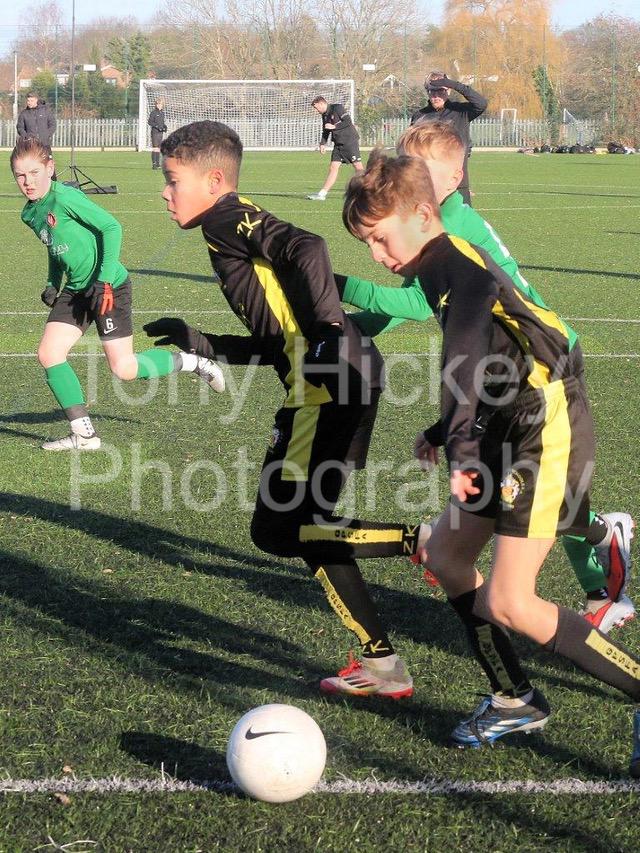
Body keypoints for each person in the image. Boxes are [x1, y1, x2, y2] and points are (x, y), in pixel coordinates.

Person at [343, 151, 640, 775]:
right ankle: (515, 697)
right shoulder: (432, 264)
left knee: (510, 600)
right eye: (366, 242)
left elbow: (465, 352)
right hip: (507, 421)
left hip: (544, 421)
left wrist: (460, 443)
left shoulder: (455, 263)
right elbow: (493, 358)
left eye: (379, 237)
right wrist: (448, 431)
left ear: (422, 214)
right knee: (446, 557)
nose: (376, 254)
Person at [143, 120, 435, 698]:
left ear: (214, 180)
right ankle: (382, 663)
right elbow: (278, 341)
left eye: (174, 180)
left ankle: (423, 542)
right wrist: (203, 343)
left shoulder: (226, 217)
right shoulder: (224, 228)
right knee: (306, 528)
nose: (166, 192)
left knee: (280, 528)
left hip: (323, 387)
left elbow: (309, 246)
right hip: (343, 376)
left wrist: (326, 333)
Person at [10, 136, 225, 452]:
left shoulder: (65, 198)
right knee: (49, 353)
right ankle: (84, 436)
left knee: (124, 369)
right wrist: (52, 282)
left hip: (109, 286)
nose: (28, 182)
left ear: (50, 168)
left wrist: (105, 280)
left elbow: (111, 227)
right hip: (76, 290)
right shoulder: (30, 213)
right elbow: (54, 247)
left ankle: (195, 363)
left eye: (34, 173)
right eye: (20, 175)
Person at [410, 71, 487, 205]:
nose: (436, 96)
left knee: (460, 219)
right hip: (427, 186)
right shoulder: (420, 116)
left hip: (456, 184)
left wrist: (453, 84)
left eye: (441, 90)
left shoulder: (460, 112)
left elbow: (481, 103)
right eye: (432, 91)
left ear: (448, 91)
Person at [306, 96, 364, 201]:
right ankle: (322, 194)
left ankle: (369, 190)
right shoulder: (324, 115)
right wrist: (322, 143)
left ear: (321, 104)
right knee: (333, 167)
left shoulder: (337, 108)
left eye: (316, 107)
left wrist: (334, 127)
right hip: (338, 144)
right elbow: (326, 130)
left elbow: (347, 121)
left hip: (349, 141)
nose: (316, 110)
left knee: (358, 167)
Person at [148, 98, 167, 170]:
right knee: (155, 147)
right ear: (156, 105)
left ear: (162, 105)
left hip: (160, 133)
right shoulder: (153, 113)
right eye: (158, 104)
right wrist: (156, 126)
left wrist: (164, 127)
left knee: (158, 148)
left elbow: (162, 122)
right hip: (155, 132)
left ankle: (158, 163)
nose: (159, 105)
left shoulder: (162, 113)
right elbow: (150, 122)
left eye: (160, 104)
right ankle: (154, 164)